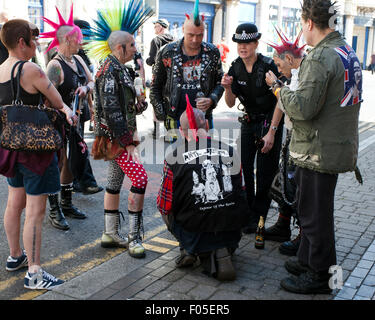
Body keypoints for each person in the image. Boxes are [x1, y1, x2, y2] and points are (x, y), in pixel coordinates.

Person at [265, 0, 362, 294]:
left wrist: (279, 88)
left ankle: (320, 275)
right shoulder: (344, 49)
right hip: (330, 145)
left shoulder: (320, 57)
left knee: (316, 215)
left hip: (317, 149)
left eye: (301, 23)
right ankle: (307, 260)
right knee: (311, 209)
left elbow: (303, 107)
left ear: (308, 23)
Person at [0, 19, 75, 289]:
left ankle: (15, 256)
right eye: (33, 37)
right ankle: (34, 274)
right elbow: (58, 101)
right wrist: (68, 111)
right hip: (36, 151)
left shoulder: (0, 70)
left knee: (14, 203)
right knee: (34, 212)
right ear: (22, 42)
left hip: (10, 149)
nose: (37, 42)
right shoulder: (30, 69)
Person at [87, 0, 153, 258]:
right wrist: (127, 142)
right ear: (119, 47)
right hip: (116, 138)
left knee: (114, 182)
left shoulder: (120, 69)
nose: (136, 48)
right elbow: (113, 113)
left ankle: (109, 233)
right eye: (133, 45)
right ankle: (133, 238)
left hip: (120, 136)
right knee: (140, 178)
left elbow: (122, 108)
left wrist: (139, 104)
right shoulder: (109, 71)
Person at [157, 104, 248, 280]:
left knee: (165, 206)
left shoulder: (173, 158)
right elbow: (241, 192)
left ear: (181, 132)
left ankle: (188, 247)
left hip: (194, 231)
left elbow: (163, 204)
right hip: (232, 229)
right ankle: (223, 247)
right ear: (207, 126)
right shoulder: (231, 151)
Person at [221, 23, 283, 234]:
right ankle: (249, 213)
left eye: (248, 43)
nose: (243, 47)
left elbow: (281, 102)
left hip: (269, 121)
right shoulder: (235, 66)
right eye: (239, 43)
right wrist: (228, 87)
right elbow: (230, 103)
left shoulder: (268, 65)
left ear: (256, 44)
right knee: (244, 168)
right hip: (248, 121)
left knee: (265, 172)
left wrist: (272, 133)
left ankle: (261, 217)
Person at [41, 5, 92, 231]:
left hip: (75, 120)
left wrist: (85, 90)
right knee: (58, 163)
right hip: (57, 122)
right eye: (78, 39)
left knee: (70, 164)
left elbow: (91, 81)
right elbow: (48, 99)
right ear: (68, 40)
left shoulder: (78, 60)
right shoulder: (55, 65)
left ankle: (67, 203)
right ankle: (54, 209)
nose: (81, 43)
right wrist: (65, 112)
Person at [150, 0, 224, 141]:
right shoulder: (167, 52)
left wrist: (212, 99)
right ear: (183, 29)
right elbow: (155, 86)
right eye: (191, 35)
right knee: (177, 159)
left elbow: (220, 82)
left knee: (205, 158)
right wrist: (163, 114)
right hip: (175, 117)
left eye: (200, 35)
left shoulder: (212, 52)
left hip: (203, 118)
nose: (195, 40)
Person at [263, 28, 306, 256]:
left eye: (280, 65)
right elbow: (282, 104)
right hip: (290, 137)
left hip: (303, 141)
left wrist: (274, 86)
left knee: (297, 187)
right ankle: (282, 225)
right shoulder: (293, 76)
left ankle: (301, 235)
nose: (278, 70)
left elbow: (290, 103)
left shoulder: (305, 75)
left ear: (289, 59)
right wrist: (272, 131)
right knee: (284, 182)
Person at [71, 19, 103, 195]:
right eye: (84, 36)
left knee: (80, 146)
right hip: (71, 110)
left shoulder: (83, 55)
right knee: (78, 147)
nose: (87, 39)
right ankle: (81, 182)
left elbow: (88, 83)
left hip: (81, 108)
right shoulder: (69, 56)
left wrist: (91, 107)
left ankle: (82, 181)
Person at [145, 18, 174, 140]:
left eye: (156, 26)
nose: (154, 28)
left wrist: (146, 61)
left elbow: (152, 59)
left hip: (158, 76)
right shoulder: (174, 40)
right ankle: (171, 132)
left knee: (156, 100)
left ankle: (156, 131)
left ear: (161, 27)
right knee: (170, 102)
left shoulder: (156, 40)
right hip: (172, 75)